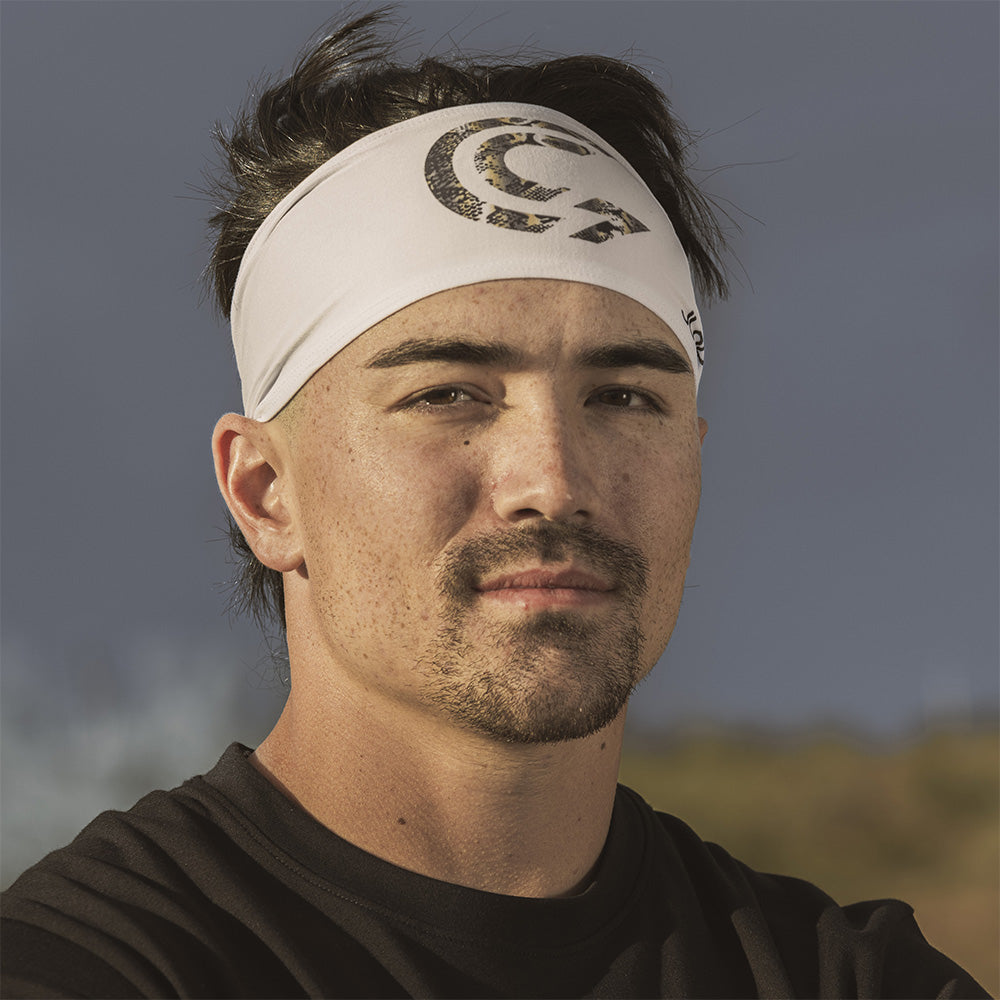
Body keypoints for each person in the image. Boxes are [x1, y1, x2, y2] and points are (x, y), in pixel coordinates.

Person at [1, 8, 989, 999]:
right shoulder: (93, 971)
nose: (553, 482)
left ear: (693, 458)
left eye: (623, 397)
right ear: (265, 492)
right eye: (448, 395)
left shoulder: (855, 981)